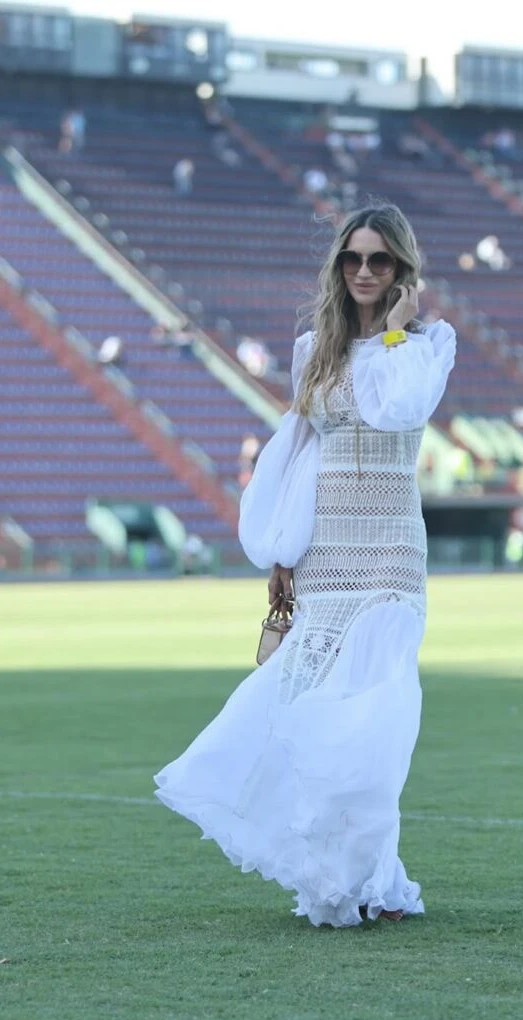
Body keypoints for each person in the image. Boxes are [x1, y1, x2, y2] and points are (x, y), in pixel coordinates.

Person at [154, 204, 457, 928]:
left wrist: (393, 330)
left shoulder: (424, 346)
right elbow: (298, 457)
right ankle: (357, 882)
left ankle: (370, 878)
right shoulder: (311, 350)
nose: (363, 271)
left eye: (378, 260)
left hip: (390, 552)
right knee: (314, 718)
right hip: (326, 554)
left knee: (373, 723)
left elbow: (397, 407)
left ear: (401, 268)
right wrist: (282, 552)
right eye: (352, 258)